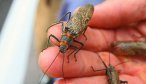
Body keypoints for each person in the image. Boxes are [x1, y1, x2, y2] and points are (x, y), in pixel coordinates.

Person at [39, 0, 146, 83]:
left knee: (71, 13)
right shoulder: (67, 33)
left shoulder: (71, 32)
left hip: (80, 20)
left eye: (65, 47)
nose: (64, 49)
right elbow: (78, 45)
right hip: (78, 22)